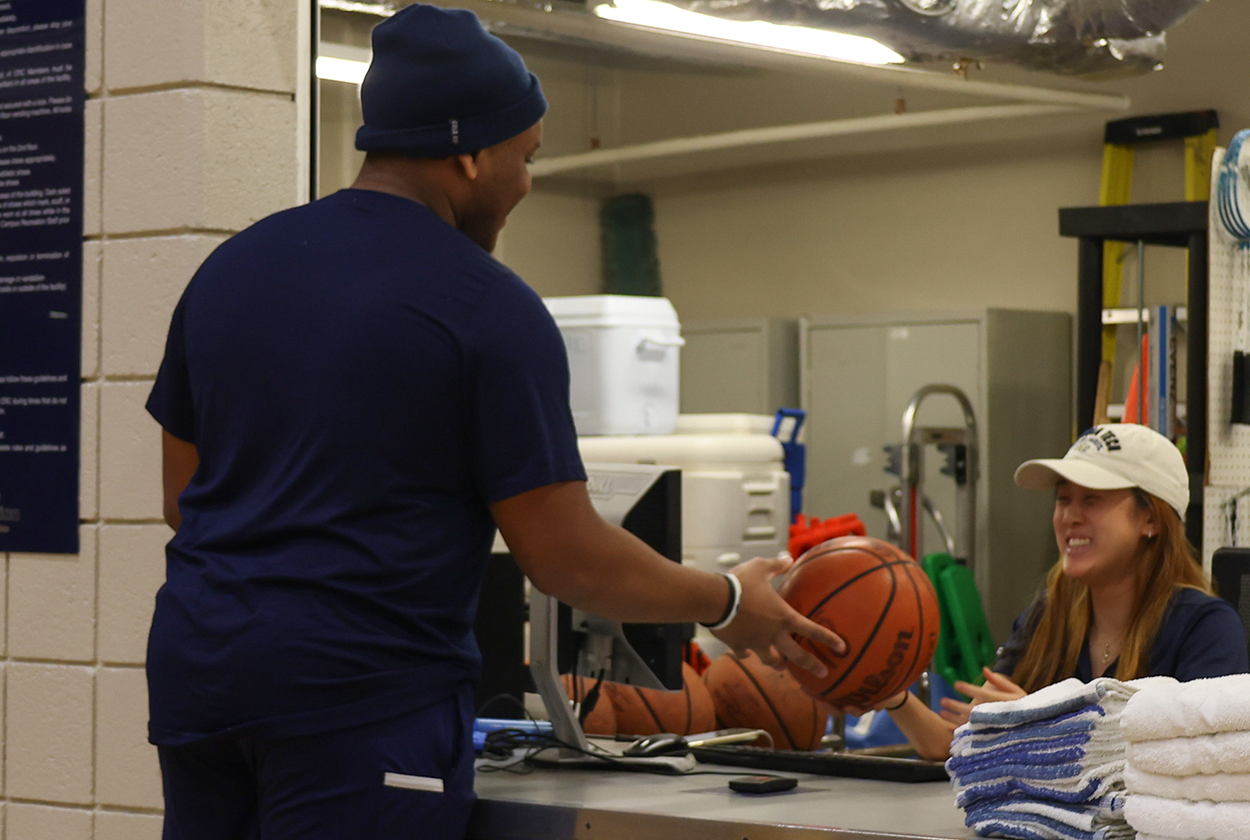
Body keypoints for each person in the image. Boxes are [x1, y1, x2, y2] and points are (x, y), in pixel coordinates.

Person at [143, 6, 843, 839]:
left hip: (200, 678)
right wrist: (728, 600)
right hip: (359, 698)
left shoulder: (230, 270)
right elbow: (565, 558)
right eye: (527, 156)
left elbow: (184, 499)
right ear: (469, 155)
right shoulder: (484, 306)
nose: (526, 182)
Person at [841, 424, 1249, 760]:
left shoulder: (1207, 627)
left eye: (1092, 499)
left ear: (1150, 520)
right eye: (1063, 499)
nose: (1069, 516)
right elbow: (956, 743)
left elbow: (1193, 758)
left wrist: (1042, 726)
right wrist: (890, 693)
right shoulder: (1048, 616)